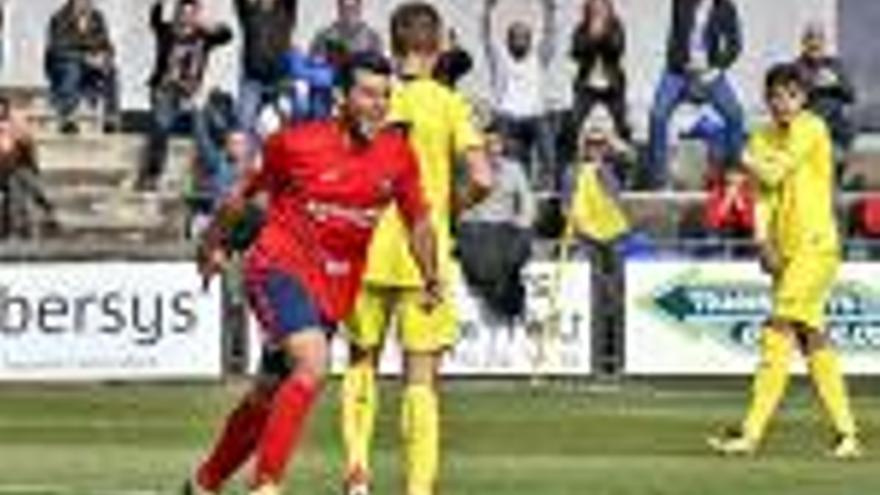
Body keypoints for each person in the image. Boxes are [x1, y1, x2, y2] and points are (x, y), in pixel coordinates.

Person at [183, 51, 441, 495]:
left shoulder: (397, 155)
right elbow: (239, 198)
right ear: (341, 96)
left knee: (269, 392)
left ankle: (204, 483)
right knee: (312, 363)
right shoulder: (295, 144)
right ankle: (266, 486)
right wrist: (213, 246)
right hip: (277, 265)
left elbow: (418, 220)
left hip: (332, 290)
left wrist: (431, 275)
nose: (377, 105)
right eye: (366, 94)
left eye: (385, 96)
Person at [340, 4, 493, 495]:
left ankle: (358, 472)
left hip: (365, 247)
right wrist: (451, 207)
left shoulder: (371, 98)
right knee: (421, 377)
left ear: (393, 42)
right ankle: (418, 487)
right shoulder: (449, 104)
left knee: (361, 360)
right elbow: (485, 178)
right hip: (422, 251)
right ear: (439, 46)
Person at [707, 63, 862, 458]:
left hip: (816, 244)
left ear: (803, 98)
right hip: (785, 248)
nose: (783, 103)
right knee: (812, 337)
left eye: (791, 95)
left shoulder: (812, 128)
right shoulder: (762, 135)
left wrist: (742, 159)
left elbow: (775, 173)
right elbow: (764, 195)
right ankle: (846, 434)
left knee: (778, 330)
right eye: (776, 95)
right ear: (768, 98)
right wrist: (762, 242)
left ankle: (750, 432)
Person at [646, 0, 745, 189]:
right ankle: (658, 180)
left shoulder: (725, 7)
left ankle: (733, 175)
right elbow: (677, 40)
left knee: (735, 115)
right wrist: (685, 71)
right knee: (657, 115)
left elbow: (735, 45)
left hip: (710, 71)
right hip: (678, 72)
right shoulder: (682, 3)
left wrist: (717, 69)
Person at [137, 0, 232, 191]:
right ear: (177, 14)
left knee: (208, 122)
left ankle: (214, 171)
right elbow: (154, 20)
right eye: (183, 13)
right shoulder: (167, 32)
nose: (186, 18)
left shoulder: (203, 37)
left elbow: (227, 36)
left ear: (196, 16)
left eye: (191, 14)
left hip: (190, 92)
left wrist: (211, 25)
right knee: (161, 124)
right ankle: (152, 174)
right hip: (166, 89)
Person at [458, 121, 535, 321]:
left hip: (505, 228)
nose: (492, 149)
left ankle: (504, 300)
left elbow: (527, 202)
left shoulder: (514, 169)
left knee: (513, 245)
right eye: (487, 143)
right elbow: (460, 203)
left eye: (496, 144)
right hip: (476, 228)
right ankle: (497, 298)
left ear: (502, 146)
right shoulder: (468, 168)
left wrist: (521, 224)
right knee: (480, 242)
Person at [481, 0, 558, 190]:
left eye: (524, 36)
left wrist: (549, 11)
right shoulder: (500, 58)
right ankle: (517, 187)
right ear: (508, 40)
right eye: (515, 36)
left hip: (535, 115)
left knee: (547, 145)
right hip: (508, 115)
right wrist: (487, 10)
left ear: (530, 40)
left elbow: (550, 36)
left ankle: (546, 186)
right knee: (513, 159)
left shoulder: (537, 58)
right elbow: (486, 37)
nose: (520, 40)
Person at [44, 0, 119, 134]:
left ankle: (111, 117)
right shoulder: (60, 18)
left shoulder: (97, 17)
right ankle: (67, 117)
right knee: (72, 69)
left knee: (111, 69)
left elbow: (107, 44)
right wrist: (85, 58)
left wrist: (104, 56)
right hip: (62, 63)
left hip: (90, 63)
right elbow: (58, 49)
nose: (86, 3)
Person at [794, 22, 856, 177]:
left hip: (835, 125)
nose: (815, 44)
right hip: (810, 123)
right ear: (804, 43)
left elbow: (851, 95)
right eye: (810, 39)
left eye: (819, 39)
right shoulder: (796, 67)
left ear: (824, 43)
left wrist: (836, 83)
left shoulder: (834, 65)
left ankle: (835, 182)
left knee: (836, 156)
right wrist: (812, 86)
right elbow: (792, 99)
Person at [233, 0, 298, 139]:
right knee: (244, 123)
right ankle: (246, 159)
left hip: (280, 80)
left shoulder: (285, 9)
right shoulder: (249, 11)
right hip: (253, 78)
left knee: (281, 127)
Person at [569, 0, 630, 142]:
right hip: (587, 83)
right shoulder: (581, 28)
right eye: (593, 9)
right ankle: (574, 153)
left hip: (612, 83)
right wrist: (590, 37)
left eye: (600, 8)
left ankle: (623, 154)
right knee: (576, 121)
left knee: (619, 122)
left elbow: (617, 49)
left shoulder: (616, 27)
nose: (597, 12)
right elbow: (576, 53)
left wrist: (603, 34)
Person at [0, 97, 59, 239]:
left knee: (18, 178)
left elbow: (29, 154)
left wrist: (17, 137)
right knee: (19, 178)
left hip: (14, 171)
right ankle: (44, 204)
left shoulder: (16, 128)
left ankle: (17, 227)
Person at [310, 0, 382, 69]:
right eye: (345, 8)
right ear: (339, 9)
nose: (349, 13)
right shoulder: (323, 38)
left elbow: (378, 68)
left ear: (359, 8)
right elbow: (313, 65)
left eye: (352, 8)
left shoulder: (372, 39)